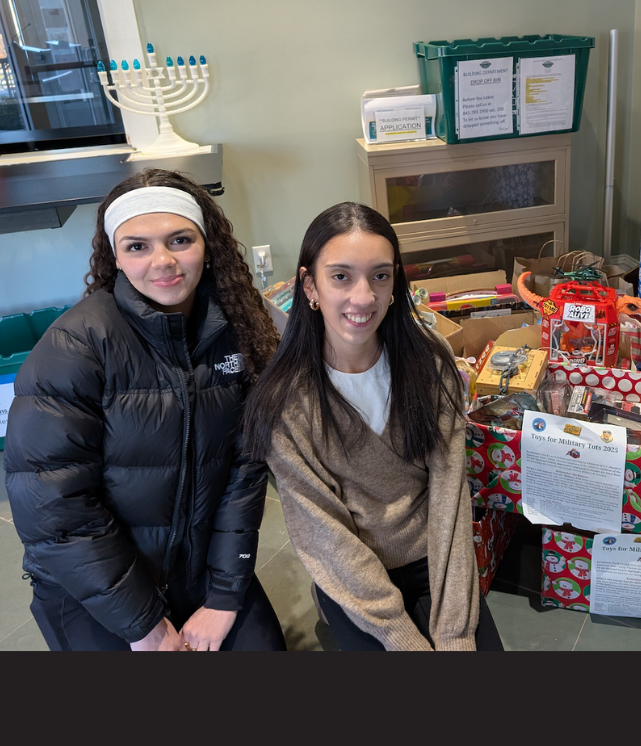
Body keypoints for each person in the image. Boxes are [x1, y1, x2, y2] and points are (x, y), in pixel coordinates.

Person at [4, 169, 287, 651]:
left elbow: (245, 470)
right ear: (116, 256)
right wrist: (145, 627)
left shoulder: (237, 330)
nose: (163, 262)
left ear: (208, 244)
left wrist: (223, 596)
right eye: (138, 246)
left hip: (198, 569)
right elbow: (55, 510)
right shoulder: (76, 346)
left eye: (180, 240)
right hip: (95, 586)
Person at [243, 202, 503, 651]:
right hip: (351, 574)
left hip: (433, 558)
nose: (363, 297)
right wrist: (401, 637)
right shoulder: (285, 401)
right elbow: (324, 533)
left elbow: (449, 498)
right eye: (341, 276)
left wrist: (455, 632)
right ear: (310, 285)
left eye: (380, 276)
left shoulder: (429, 361)